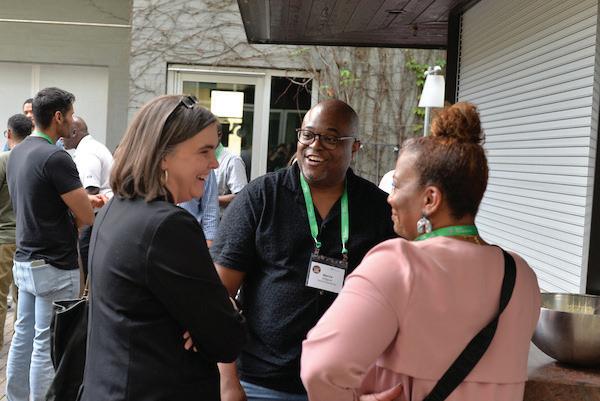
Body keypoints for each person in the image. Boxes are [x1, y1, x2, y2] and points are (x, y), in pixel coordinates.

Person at [301, 102, 541, 401]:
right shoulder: (521, 276)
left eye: (397, 185)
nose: (390, 198)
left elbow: (320, 369)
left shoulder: (398, 264)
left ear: (430, 199)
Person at [212, 99, 396, 401]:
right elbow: (219, 295)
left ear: (355, 147)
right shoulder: (261, 197)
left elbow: (396, 301)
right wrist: (228, 381)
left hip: (345, 384)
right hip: (261, 383)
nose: (315, 145)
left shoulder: (377, 209)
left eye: (331, 138)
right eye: (307, 135)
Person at [79, 95, 246, 401]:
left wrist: (207, 320)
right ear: (163, 155)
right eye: (204, 151)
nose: (213, 163)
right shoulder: (168, 226)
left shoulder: (115, 209)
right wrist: (226, 308)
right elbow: (226, 338)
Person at [6, 87, 104, 401]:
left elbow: (39, 198)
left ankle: (15, 397)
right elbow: (85, 216)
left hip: (25, 259)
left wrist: (80, 201)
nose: (73, 122)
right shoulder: (56, 157)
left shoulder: (18, 152)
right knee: (47, 341)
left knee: (23, 336)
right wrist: (88, 204)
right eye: (71, 115)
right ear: (58, 116)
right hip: (54, 264)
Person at [62, 115, 113, 278]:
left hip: (95, 216)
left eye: (64, 132)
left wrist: (77, 222)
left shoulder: (87, 152)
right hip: (100, 215)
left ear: (74, 132)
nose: (61, 137)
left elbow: (91, 189)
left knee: (85, 263)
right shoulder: (91, 147)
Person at [0, 114, 33, 350]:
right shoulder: (35, 159)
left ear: (9, 133)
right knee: (24, 298)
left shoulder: (4, 160)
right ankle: (22, 346)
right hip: (28, 239)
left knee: (0, 296)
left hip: (3, 238)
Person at [179, 169, 219, 247]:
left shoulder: (206, 167)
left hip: (192, 236)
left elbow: (210, 208)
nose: (216, 165)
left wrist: (209, 241)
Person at [215, 123, 248, 211]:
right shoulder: (196, 158)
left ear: (219, 135)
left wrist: (209, 199)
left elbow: (241, 197)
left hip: (220, 217)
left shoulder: (232, 160)